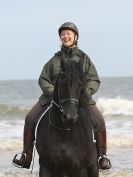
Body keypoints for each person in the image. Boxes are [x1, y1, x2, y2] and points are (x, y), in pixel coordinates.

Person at [12, 22, 111, 170]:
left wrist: (85, 94)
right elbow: (43, 79)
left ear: (75, 37)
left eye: (68, 34)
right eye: (63, 34)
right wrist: (54, 93)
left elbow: (94, 79)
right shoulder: (54, 60)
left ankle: (102, 157)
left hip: (80, 99)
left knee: (99, 120)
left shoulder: (84, 59)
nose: (65, 36)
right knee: (30, 118)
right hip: (54, 99)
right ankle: (26, 155)